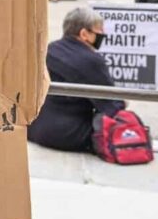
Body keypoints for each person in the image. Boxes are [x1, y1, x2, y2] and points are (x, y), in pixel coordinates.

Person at [28, 8, 125, 153]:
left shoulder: (48, 49)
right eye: (99, 33)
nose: (102, 36)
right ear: (84, 34)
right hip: (68, 135)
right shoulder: (91, 61)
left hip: (33, 129)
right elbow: (111, 105)